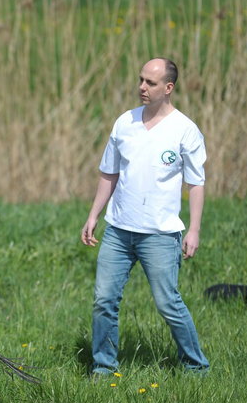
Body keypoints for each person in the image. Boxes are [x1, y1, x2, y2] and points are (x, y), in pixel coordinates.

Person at [80, 58, 210, 376]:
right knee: (103, 300)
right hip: (119, 230)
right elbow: (108, 173)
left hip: (161, 234)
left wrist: (193, 229)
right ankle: (104, 366)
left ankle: (196, 365)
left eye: (150, 83)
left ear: (168, 88)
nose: (142, 87)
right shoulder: (125, 122)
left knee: (168, 303)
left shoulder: (185, 130)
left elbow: (195, 183)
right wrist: (93, 215)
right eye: (141, 80)